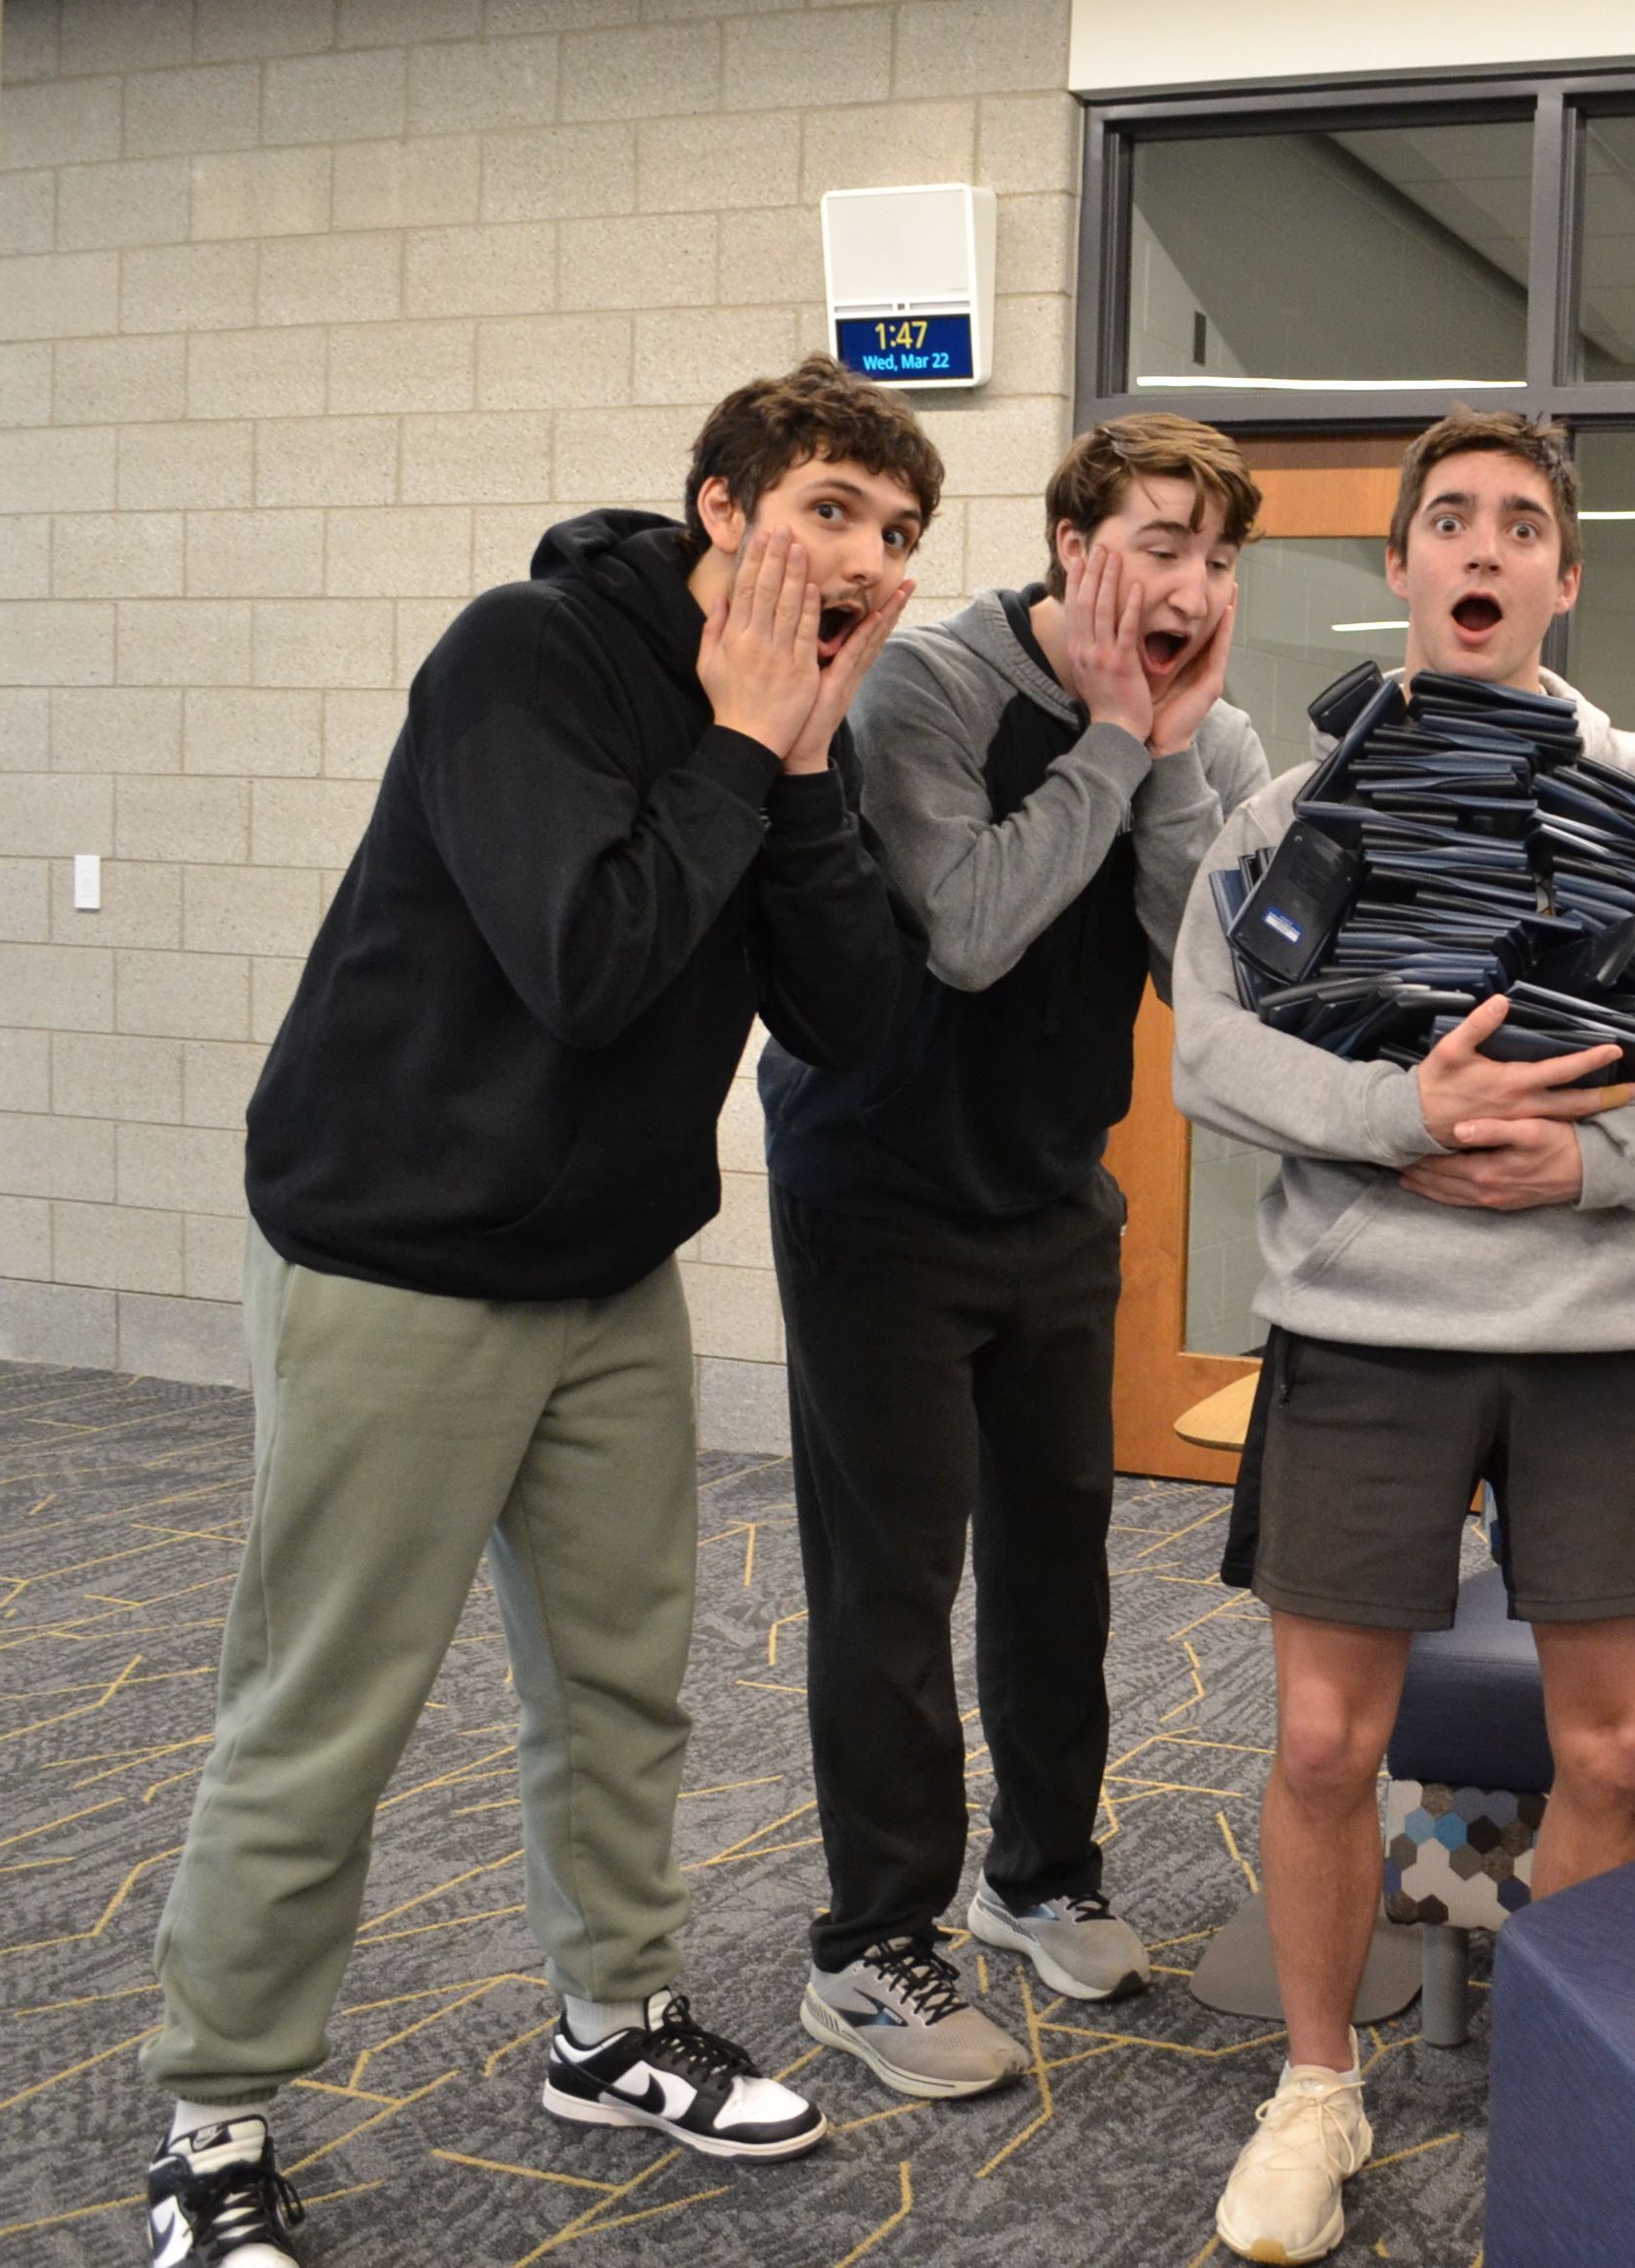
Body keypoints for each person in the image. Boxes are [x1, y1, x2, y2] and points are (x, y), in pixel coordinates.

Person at [141, 358, 938, 2267]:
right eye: (829, 509)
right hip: (394, 1252)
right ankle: (214, 2122)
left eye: (901, 537)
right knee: (325, 1711)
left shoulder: (791, 718)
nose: (866, 560)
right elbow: (590, 963)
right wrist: (741, 748)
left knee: (619, 1687)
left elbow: (858, 1021)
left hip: (603, 1269)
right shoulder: (527, 657)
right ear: (721, 510)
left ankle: (613, 2026)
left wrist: (804, 767)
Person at [1171, 409, 1635, 2265]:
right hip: (1363, 1325)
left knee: (1617, 1749)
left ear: (1563, 576)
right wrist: (1405, 1121)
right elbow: (1212, 1039)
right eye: (1446, 517)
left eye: (1519, 523)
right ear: (1398, 568)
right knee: (1316, 1736)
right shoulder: (1295, 817)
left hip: (1609, 1338)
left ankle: (1560, 2068)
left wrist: (1586, 1162)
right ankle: (1314, 2086)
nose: (1482, 545)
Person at [758, 414, 1269, 2099]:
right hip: (879, 1192)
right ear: (1069, 542)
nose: (1185, 583)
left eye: (1213, 554)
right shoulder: (938, 686)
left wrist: (1173, 752)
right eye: (1155, 542)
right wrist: (1117, 740)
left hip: (1051, 1194)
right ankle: (872, 1942)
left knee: (1061, 1553)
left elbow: (1212, 982)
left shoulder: (1210, 732)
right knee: (894, 1576)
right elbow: (969, 929)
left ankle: (1039, 1872)